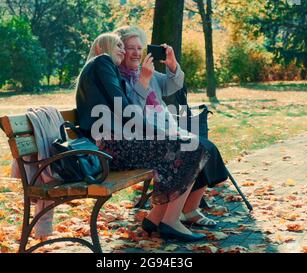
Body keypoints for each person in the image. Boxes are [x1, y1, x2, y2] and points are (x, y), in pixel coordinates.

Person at [75, 32, 210, 242]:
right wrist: (160, 133)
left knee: (187, 146)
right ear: (102, 49)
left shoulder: (104, 69)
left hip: (113, 145)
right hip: (107, 150)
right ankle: (170, 221)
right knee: (190, 146)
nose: (122, 50)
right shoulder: (102, 62)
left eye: (123, 45)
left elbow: (125, 111)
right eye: (118, 45)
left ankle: (156, 218)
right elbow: (126, 110)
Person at [114, 26, 230, 227]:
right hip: (145, 138)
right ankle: (170, 216)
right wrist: (143, 81)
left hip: (167, 131)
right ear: (120, 51)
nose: (136, 53)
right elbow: (130, 113)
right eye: (130, 48)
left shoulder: (147, 72)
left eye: (139, 48)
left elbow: (174, 85)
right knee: (193, 149)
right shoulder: (119, 79)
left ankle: (190, 210)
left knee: (207, 147)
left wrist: (173, 66)